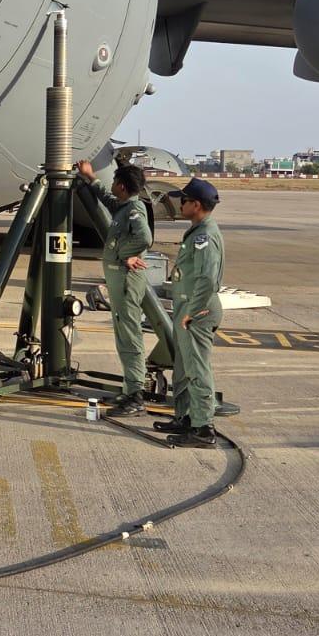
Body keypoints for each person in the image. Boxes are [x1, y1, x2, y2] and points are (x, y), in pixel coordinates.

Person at [76, 160, 153, 415]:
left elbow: (144, 238)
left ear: (121, 186)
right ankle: (131, 389)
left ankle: (136, 395)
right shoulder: (124, 206)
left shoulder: (134, 211)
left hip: (127, 283)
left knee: (130, 337)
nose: (112, 186)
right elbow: (109, 201)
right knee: (124, 336)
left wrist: (124, 256)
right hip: (120, 283)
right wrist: (91, 178)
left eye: (113, 183)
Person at [156, 177, 225, 448]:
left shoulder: (206, 236)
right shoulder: (197, 231)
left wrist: (192, 312)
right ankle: (185, 417)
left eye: (183, 200)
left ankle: (203, 428)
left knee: (197, 370)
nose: (179, 204)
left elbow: (208, 280)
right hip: (188, 307)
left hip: (198, 310)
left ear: (196, 205)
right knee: (183, 370)